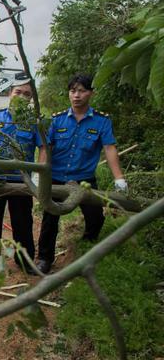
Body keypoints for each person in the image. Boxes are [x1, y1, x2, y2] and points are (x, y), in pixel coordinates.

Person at [36, 73, 127, 274]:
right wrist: (40, 172)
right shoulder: (57, 120)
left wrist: (119, 178)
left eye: (82, 91)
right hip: (57, 178)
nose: (76, 95)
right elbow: (45, 147)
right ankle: (44, 258)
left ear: (91, 93)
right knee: (50, 218)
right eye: (73, 90)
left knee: (95, 217)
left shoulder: (101, 121)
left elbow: (109, 148)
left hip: (85, 179)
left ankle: (86, 244)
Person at [0, 76, 40, 274]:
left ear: (31, 99)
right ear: (10, 93)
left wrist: (38, 176)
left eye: (27, 94)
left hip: (21, 183)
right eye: (18, 92)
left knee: (23, 222)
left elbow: (43, 149)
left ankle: (24, 259)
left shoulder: (34, 123)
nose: (22, 96)